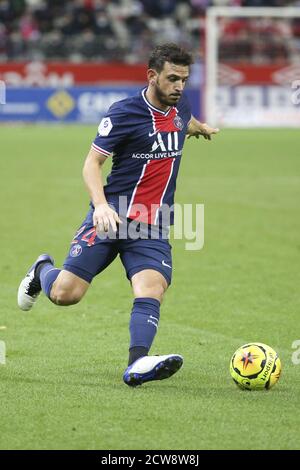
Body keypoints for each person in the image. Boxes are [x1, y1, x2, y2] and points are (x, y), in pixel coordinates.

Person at [17, 43, 219, 387]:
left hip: (152, 222)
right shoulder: (124, 112)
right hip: (112, 214)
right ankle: (42, 271)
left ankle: (137, 364)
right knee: (67, 294)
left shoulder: (179, 104)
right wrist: (100, 206)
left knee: (151, 287)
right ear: (152, 76)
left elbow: (183, 120)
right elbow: (92, 163)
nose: (180, 86)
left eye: (184, 80)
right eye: (172, 79)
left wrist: (199, 127)